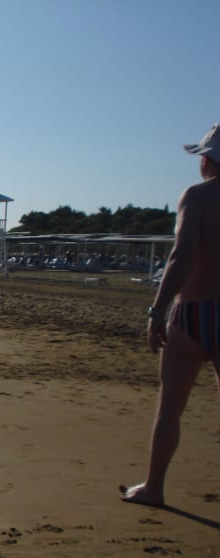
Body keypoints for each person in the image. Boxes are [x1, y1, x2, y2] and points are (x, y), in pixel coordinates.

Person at [120, 123, 220, 506]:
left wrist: (157, 310)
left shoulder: (196, 196)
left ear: (206, 159)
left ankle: (154, 487)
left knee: (171, 407)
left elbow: (182, 256)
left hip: (193, 311)